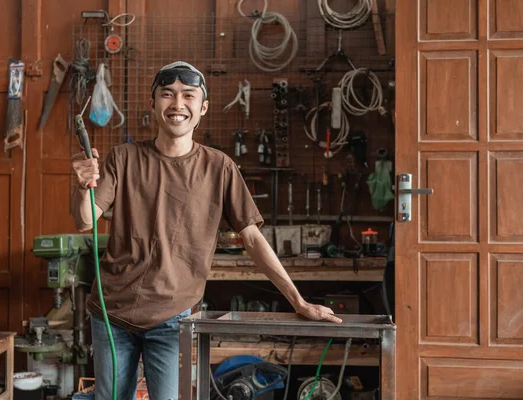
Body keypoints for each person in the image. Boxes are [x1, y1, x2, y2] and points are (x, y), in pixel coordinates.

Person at [70, 61, 342, 400]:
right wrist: (82, 186)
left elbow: (253, 238)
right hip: (111, 311)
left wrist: (298, 301)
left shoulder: (219, 167)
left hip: (171, 317)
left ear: (203, 107)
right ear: (153, 102)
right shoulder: (123, 158)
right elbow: (85, 220)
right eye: (167, 95)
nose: (177, 104)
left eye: (188, 96)